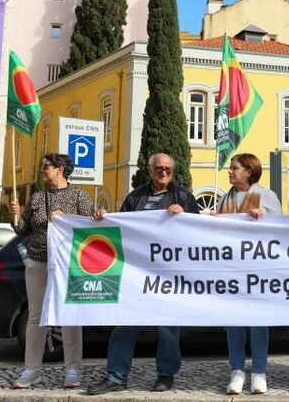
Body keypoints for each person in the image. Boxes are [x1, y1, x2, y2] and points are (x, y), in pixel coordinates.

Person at [86, 153, 199, 395]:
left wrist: (185, 216)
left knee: (168, 329)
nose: (164, 173)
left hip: (169, 275)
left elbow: (197, 235)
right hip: (136, 275)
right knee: (124, 326)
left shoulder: (184, 197)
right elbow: (119, 230)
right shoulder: (135, 197)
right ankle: (116, 376)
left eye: (168, 169)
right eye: (159, 169)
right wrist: (101, 219)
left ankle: (166, 375)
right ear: (149, 171)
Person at [8, 153, 94, 389]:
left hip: (68, 265)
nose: (42, 170)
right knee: (36, 316)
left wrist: (65, 218)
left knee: (70, 316)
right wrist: (14, 214)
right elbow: (21, 229)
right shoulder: (37, 197)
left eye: (46, 166)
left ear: (61, 170)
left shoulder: (79, 196)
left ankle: (73, 369)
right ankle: (31, 369)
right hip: (37, 261)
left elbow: (90, 227)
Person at [216, 152, 282, 394]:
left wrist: (264, 217)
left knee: (257, 322)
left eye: (235, 168)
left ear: (249, 171)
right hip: (233, 269)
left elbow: (283, 229)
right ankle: (236, 370)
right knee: (234, 321)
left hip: (259, 270)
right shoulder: (225, 199)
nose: (230, 171)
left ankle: (259, 372)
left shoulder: (266, 195)